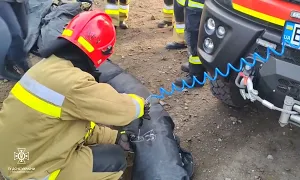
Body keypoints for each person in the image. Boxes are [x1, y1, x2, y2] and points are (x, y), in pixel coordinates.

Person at [0, 10, 148, 180]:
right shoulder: (74, 84)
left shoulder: (47, 67)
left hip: (15, 160)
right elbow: (122, 111)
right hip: (33, 172)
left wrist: (114, 136)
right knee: (115, 159)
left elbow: (76, 127)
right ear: (104, 51)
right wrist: (140, 104)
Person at [174, 0, 205, 87]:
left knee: (194, 38)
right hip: (195, 5)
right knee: (194, 37)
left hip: (197, 5)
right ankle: (198, 67)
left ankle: (196, 76)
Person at [0, 0, 30, 81]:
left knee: (24, 31)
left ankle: (12, 59)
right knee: (15, 35)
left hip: (18, 2)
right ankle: (16, 65)